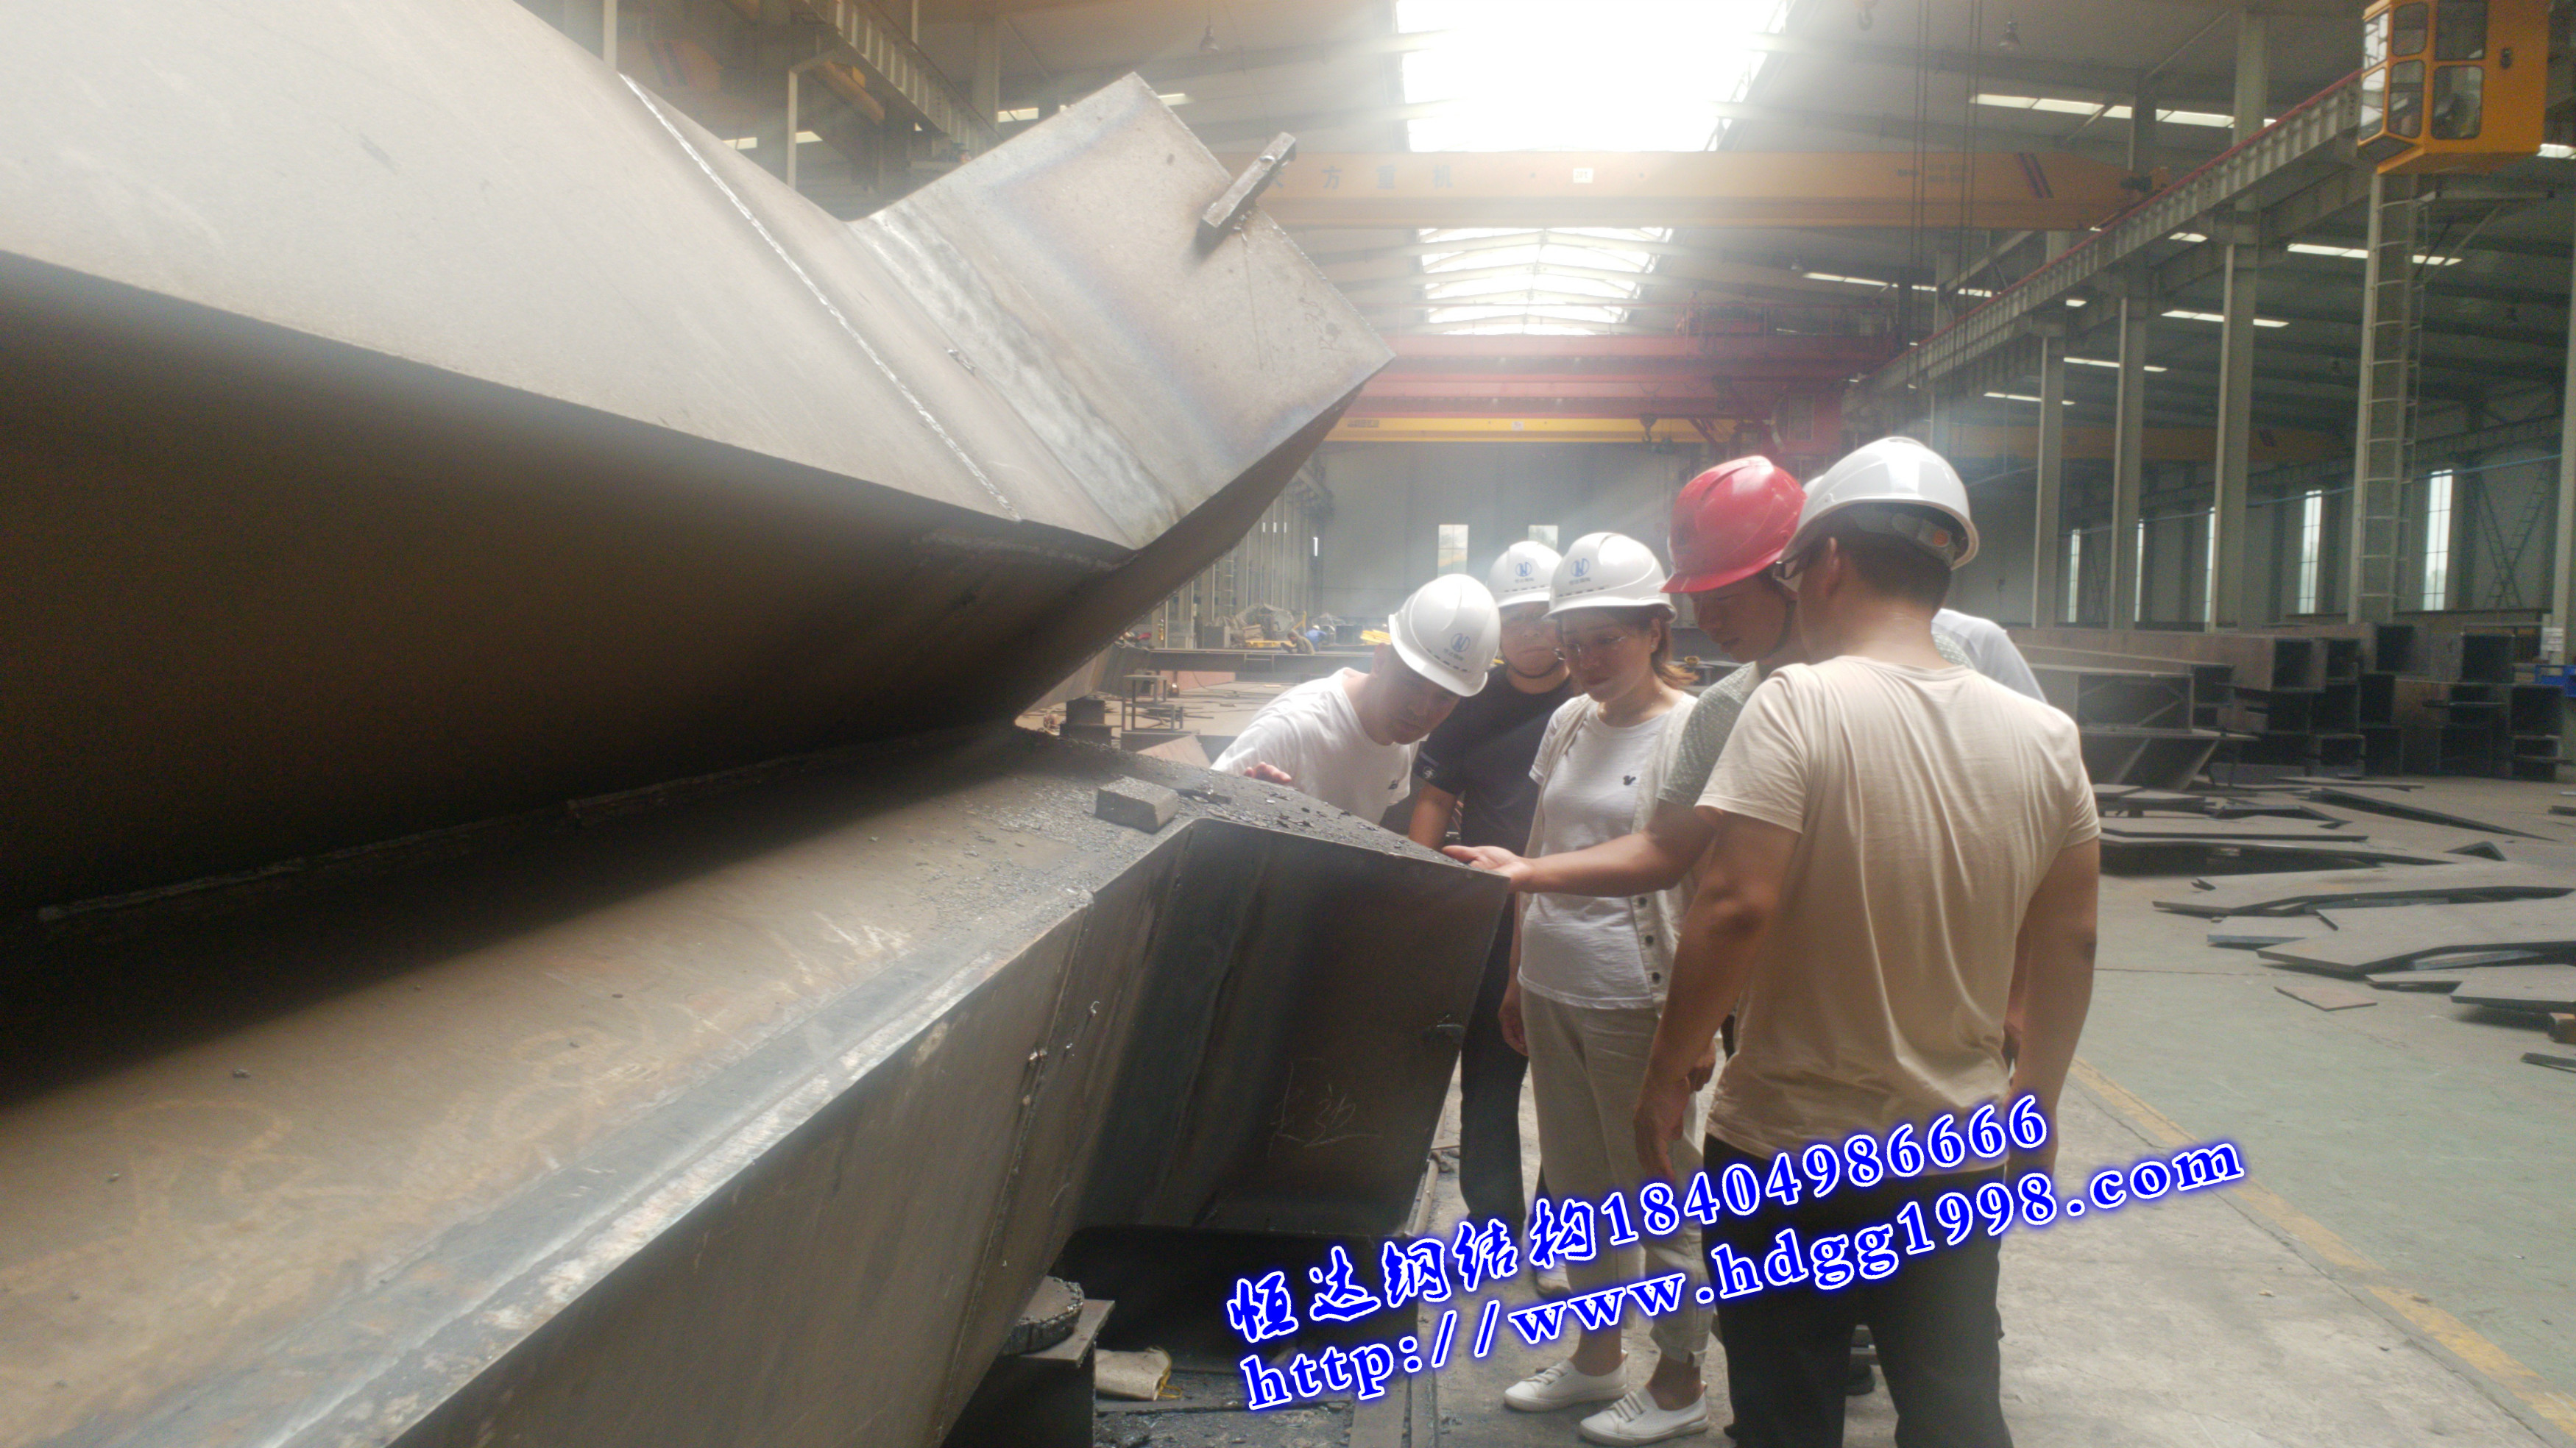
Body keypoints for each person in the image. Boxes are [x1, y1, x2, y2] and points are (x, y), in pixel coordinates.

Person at [1633, 436, 2101, 1448]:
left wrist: (1669, 1070)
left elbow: (1732, 905)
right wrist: (2038, 1100)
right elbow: (2070, 941)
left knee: (1786, 1412)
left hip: (1787, 1142)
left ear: (1829, 563)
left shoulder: (1794, 705)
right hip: (1954, 1146)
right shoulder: (2045, 737)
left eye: (1792, 571)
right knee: (1952, 1403)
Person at [1496, 533, 1713, 1447]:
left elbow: (1705, 885)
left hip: (1636, 997)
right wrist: (1518, 974)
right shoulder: (1569, 722)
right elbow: (1538, 850)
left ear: (1655, 629)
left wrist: (1697, 1026)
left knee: (1658, 1195)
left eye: (1603, 639)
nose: (1583, 659)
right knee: (1580, 1195)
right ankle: (1595, 1358)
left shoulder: (1694, 728)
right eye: (1570, 640)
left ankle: (1680, 1378)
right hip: (1554, 986)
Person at [1405, 541, 1574, 1241]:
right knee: (1489, 1077)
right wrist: (1419, 895)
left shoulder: (1593, 696)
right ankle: (1497, 1222)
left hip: (1575, 909)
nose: (1531, 632)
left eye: (1544, 616)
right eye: (1516, 619)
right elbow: (1434, 801)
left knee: (1569, 1087)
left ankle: (1563, 1233)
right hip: (1493, 915)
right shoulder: (1471, 706)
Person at [1211, 574, 1501, 820]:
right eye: (1412, 684)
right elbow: (1203, 814)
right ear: (1381, 661)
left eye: (1445, 697)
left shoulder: (1402, 732)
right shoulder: (1291, 729)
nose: (1421, 710)